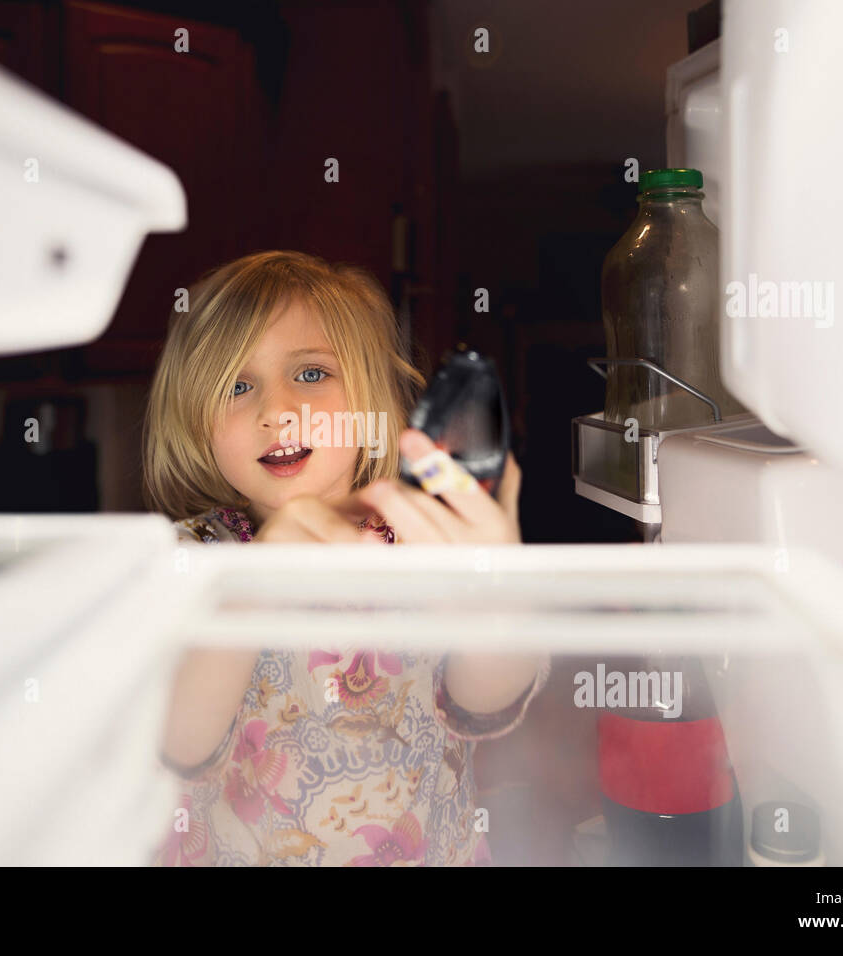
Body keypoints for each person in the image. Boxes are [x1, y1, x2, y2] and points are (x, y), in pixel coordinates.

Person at [142, 250, 550, 865]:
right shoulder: (188, 558)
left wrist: (492, 590)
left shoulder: (427, 540)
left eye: (309, 374)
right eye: (236, 385)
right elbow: (178, 741)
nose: (274, 411)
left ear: (368, 399)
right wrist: (252, 587)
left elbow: (488, 698)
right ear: (197, 424)